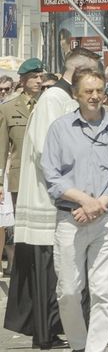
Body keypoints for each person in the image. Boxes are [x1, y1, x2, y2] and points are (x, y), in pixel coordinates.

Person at [4, 48, 101, 349]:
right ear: (79, 71)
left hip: (63, 192)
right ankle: (45, 331)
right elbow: (47, 149)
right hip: (50, 196)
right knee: (48, 266)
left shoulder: (65, 99)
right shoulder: (53, 100)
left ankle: (63, 326)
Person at [42, 68, 108, 352]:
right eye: (88, 91)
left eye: (99, 90)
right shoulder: (60, 129)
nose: (94, 96)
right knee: (68, 290)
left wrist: (99, 205)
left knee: (103, 290)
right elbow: (52, 176)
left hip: (106, 219)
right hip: (71, 217)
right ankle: (78, 348)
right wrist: (84, 200)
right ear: (76, 95)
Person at [0, 59, 46, 269]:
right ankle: (24, 269)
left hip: (46, 178)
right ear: (24, 80)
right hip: (19, 179)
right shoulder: (8, 109)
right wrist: (0, 183)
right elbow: (1, 150)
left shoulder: (49, 105)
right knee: (22, 227)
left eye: (41, 76)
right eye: (35, 77)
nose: (39, 80)